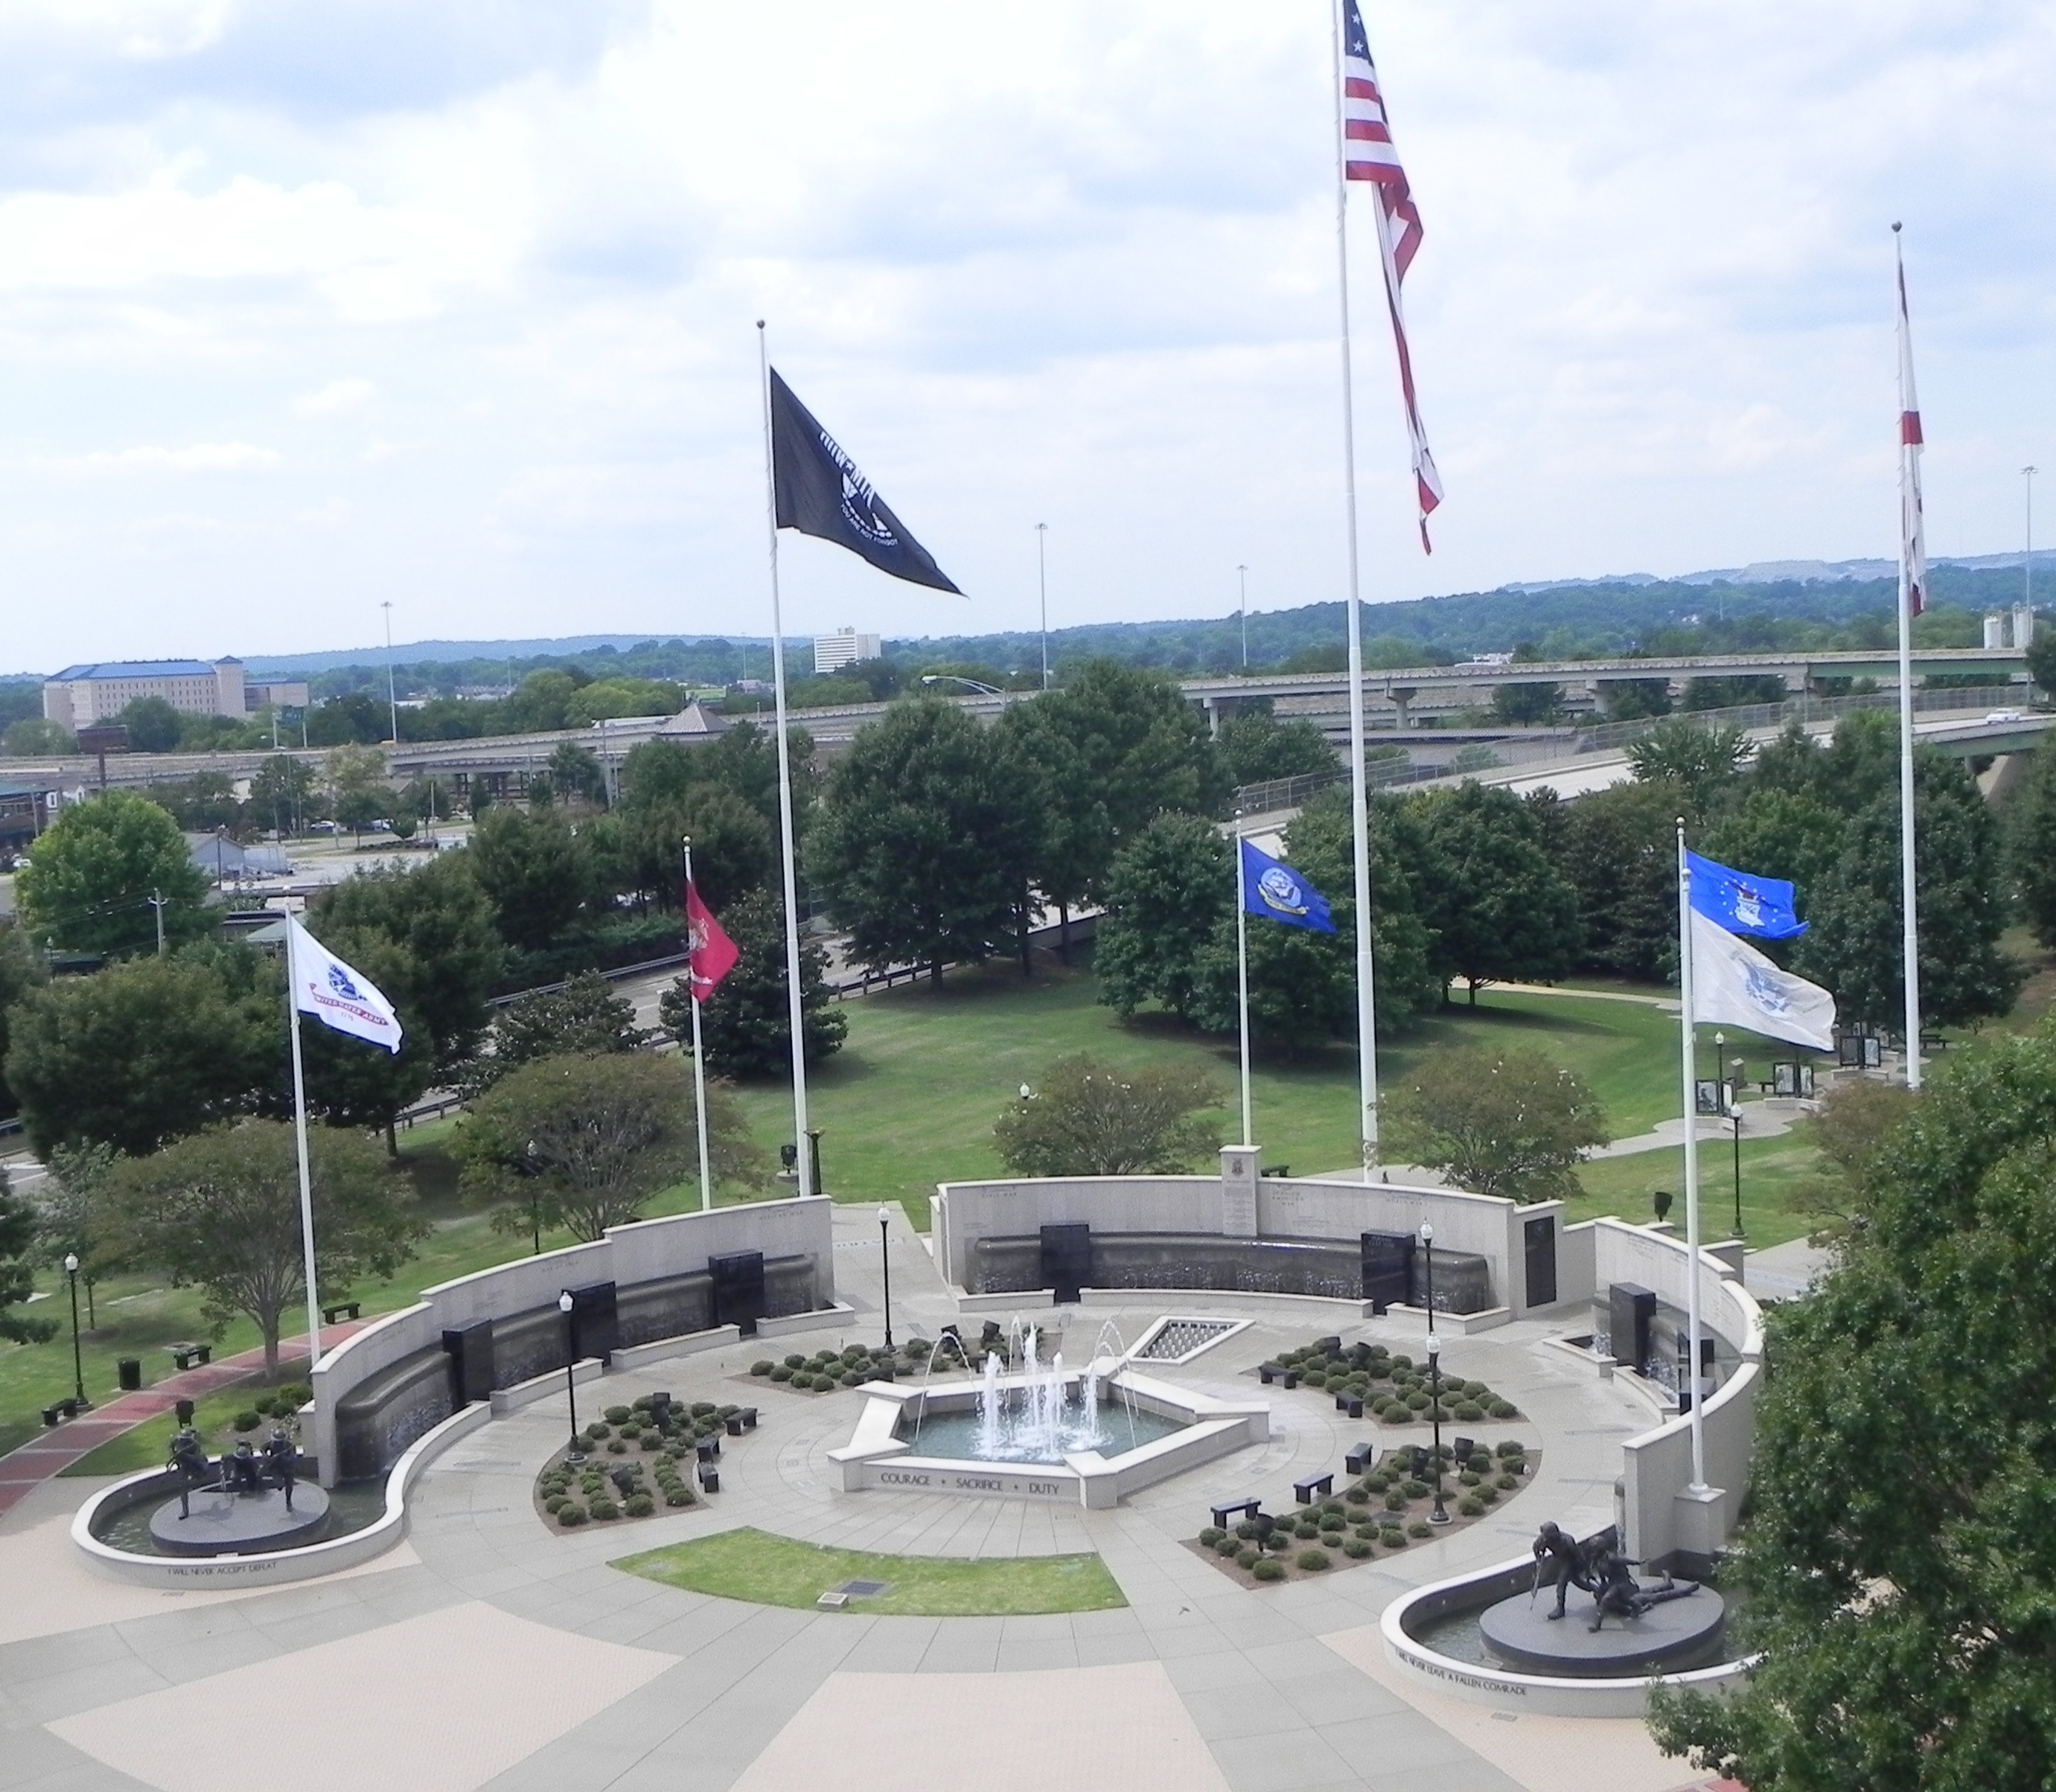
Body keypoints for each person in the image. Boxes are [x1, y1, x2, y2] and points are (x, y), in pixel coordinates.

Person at [1531, 1521, 1600, 1620]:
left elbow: (1580, 1557)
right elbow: (1535, 1547)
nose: (1545, 1539)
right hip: (1560, 1559)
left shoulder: (1568, 1541)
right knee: (1577, 1581)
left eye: (1548, 1537)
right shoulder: (1544, 1539)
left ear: (1554, 1536)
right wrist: (1538, 1557)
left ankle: (1560, 1609)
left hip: (1571, 1560)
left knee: (1561, 1582)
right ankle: (1597, 1590)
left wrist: (1588, 1572)